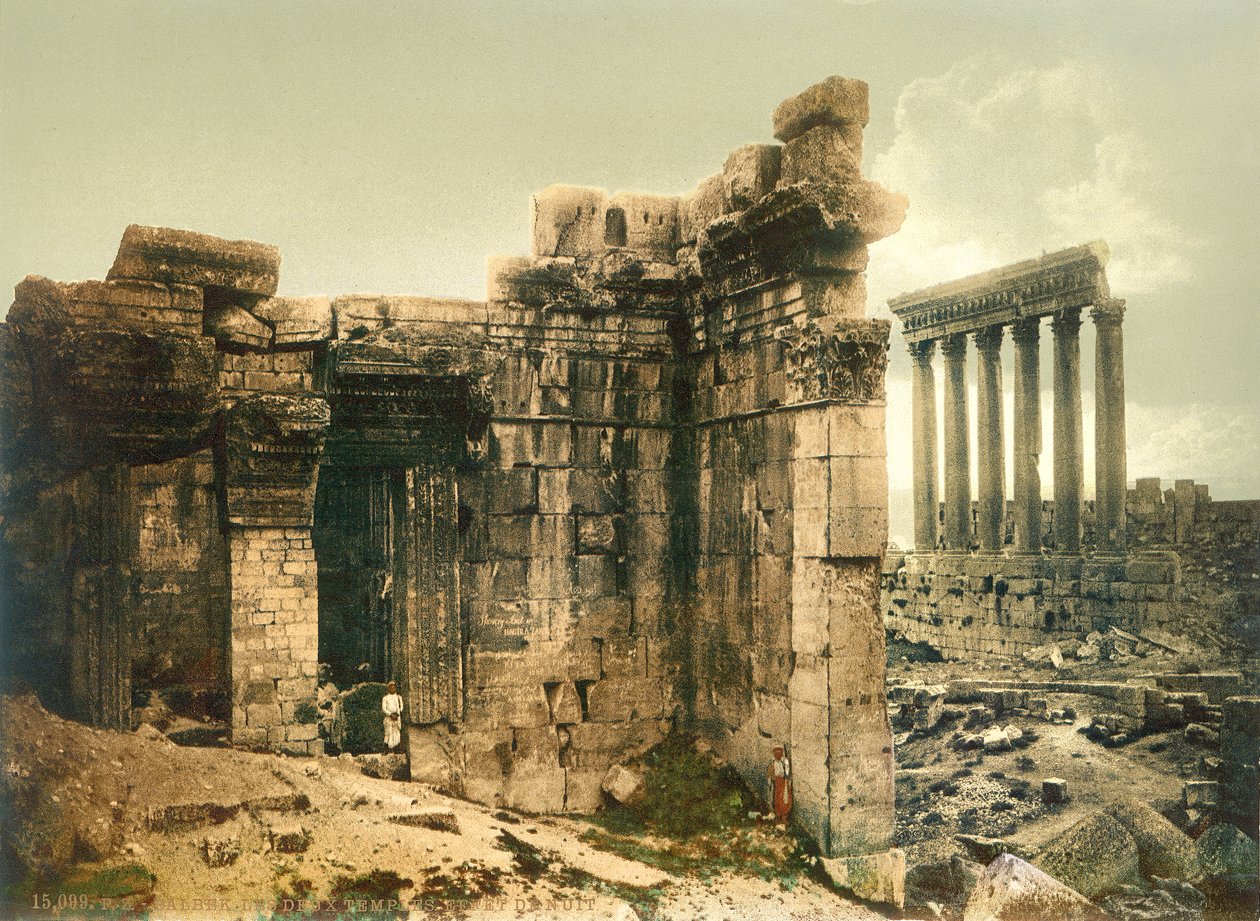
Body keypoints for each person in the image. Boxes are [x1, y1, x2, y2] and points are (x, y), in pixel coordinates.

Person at [766, 744, 792, 826]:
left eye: (780, 753)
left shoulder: (784, 763)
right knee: (777, 800)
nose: (778, 755)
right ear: (774, 754)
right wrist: (773, 779)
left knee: (786, 799)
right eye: (776, 753)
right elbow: (770, 774)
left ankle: (784, 817)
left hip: (784, 783)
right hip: (776, 784)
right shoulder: (772, 764)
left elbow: (787, 773)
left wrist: (787, 781)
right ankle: (778, 816)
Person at [381, 681, 403, 750]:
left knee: (397, 732)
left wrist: (397, 714)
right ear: (388, 688)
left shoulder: (399, 697)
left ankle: (397, 749)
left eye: (394, 688)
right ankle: (386, 749)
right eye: (391, 688)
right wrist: (390, 715)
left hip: (397, 717)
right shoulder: (385, 698)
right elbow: (384, 708)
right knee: (388, 732)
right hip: (389, 717)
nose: (392, 689)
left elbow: (401, 707)